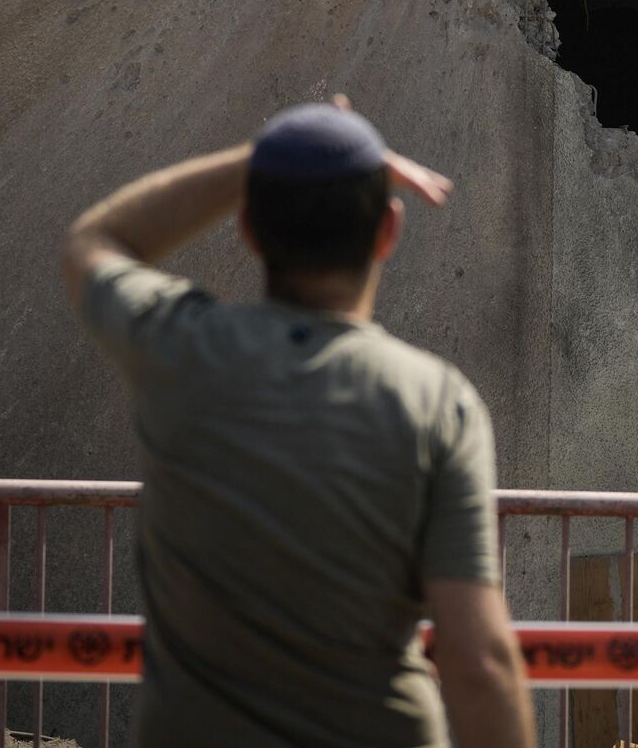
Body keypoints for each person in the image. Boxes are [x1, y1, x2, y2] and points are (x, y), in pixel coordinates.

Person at [60, 100, 534, 748]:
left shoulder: (179, 353)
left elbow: (97, 241)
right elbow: (478, 661)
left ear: (249, 229)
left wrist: (270, 156)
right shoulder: (435, 403)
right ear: (387, 232)